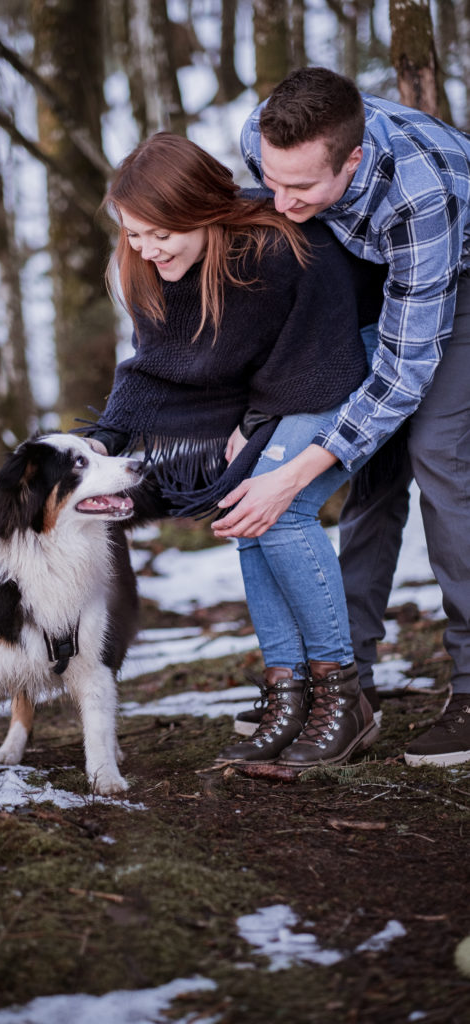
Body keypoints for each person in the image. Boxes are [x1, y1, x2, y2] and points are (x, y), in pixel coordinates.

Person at [85, 131, 384, 773]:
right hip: (281, 382)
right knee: (248, 520)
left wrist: (257, 420)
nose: (144, 248)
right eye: (133, 234)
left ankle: (343, 694)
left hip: (344, 356)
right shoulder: (155, 265)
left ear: (199, 209)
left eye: (158, 233)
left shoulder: (279, 247)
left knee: (279, 510)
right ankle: (288, 691)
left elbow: (315, 348)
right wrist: (104, 438)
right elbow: (157, 365)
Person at [227, 66, 470, 768]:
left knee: (438, 456)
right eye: (272, 180)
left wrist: (302, 467)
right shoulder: (265, 142)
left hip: (452, 280)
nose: (279, 198)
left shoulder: (419, 196)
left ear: (353, 159)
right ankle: (346, 680)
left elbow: (402, 376)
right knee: (372, 471)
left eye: (299, 189)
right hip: (366, 278)